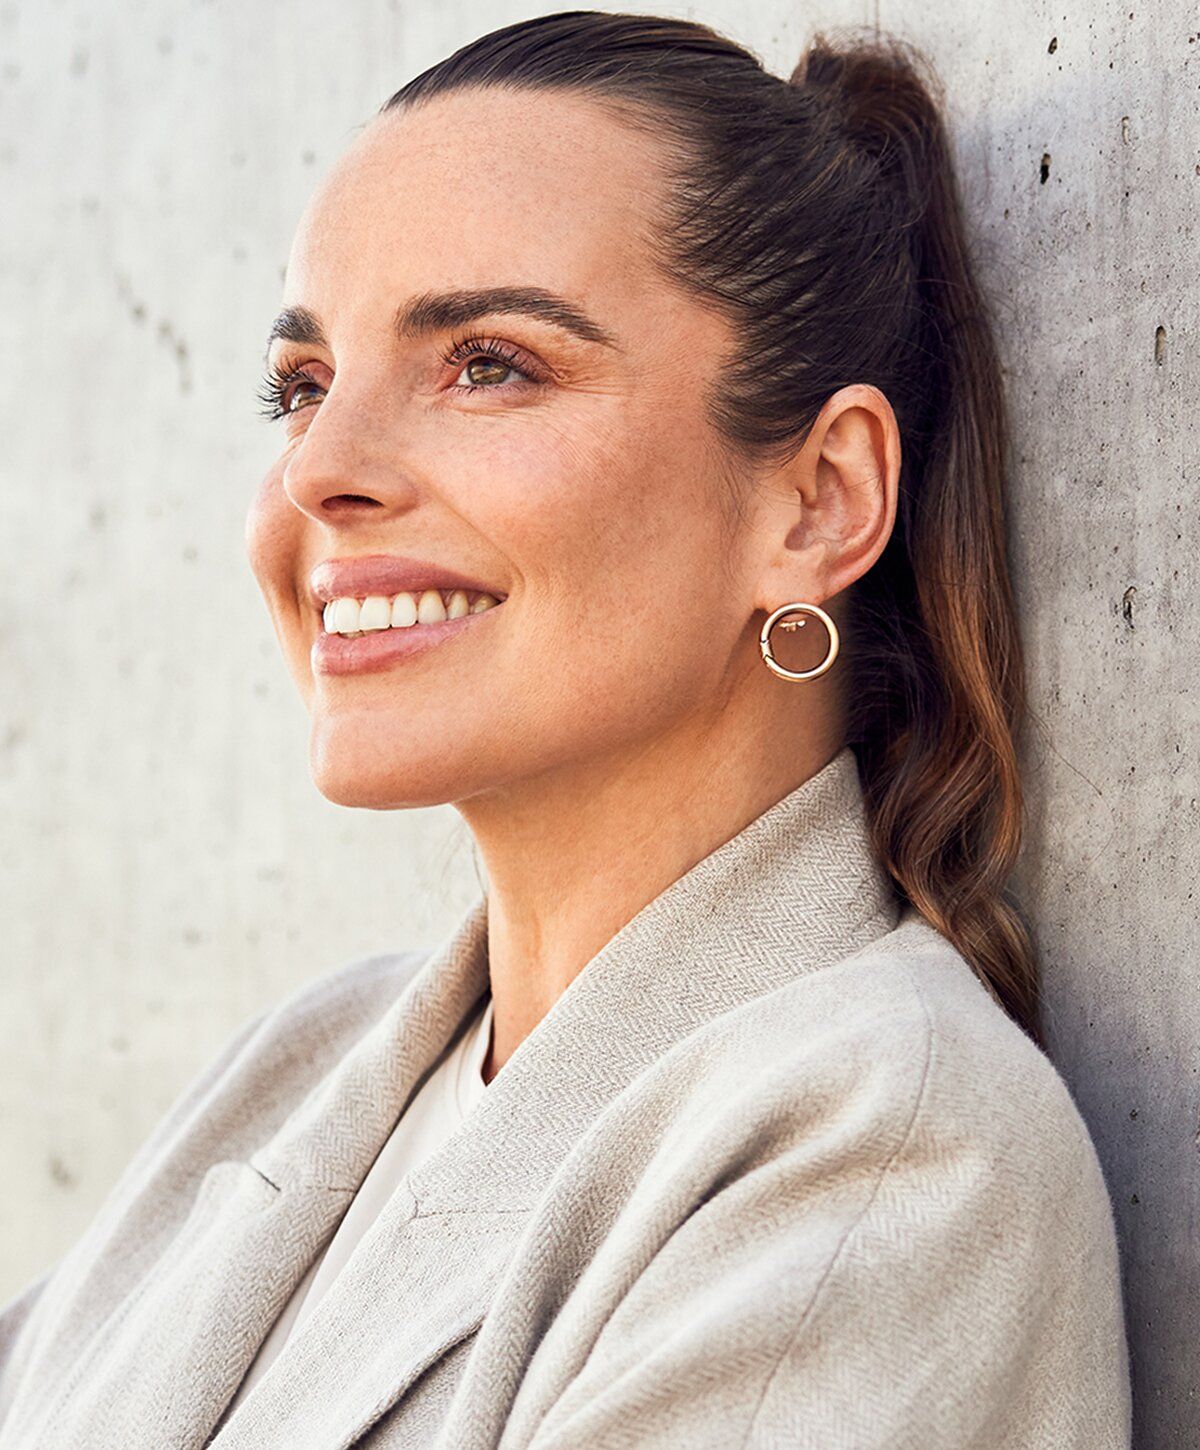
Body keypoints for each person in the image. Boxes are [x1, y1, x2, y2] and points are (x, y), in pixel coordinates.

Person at [0, 11, 1131, 1448]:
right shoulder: (309, 1067)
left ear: (821, 499)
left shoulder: (885, 1160)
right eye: (300, 388)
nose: (321, 474)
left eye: (489, 363)